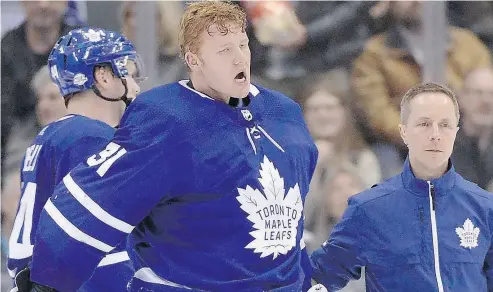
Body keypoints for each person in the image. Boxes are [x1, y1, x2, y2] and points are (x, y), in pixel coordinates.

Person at [29, 1, 322, 291]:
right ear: (194, 60)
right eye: (223, 50)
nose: (238, 59)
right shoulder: (165, 118)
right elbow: (87, 208)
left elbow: (292, 217)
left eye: (242, 45)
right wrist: (48, 281)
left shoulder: (285, 113)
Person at [310, 82, 493, 291]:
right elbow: (318, 276)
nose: (435, 134)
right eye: (424, 124)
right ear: (403, 132)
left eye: (445, 125)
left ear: (455, 132)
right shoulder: (369, 209)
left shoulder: (485, 207)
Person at [8, 27, 144, 292]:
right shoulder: (91, 138)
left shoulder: (48, 136)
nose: (137, 86)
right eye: (129, 74)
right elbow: (100, 245)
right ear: (103, 76)